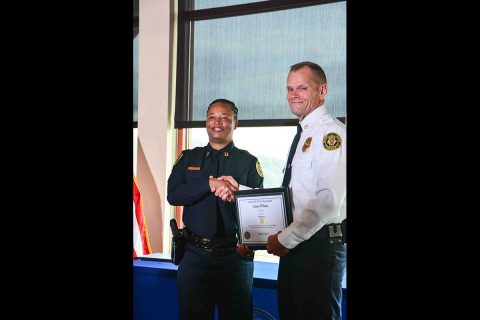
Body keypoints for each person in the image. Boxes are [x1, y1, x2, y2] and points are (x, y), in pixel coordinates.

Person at [167, 98, 264, 320]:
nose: (217, 122)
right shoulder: (188, 157)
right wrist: (209, 184)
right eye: (212, 117)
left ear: (235, 123)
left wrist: (236, 193)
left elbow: (259, 208)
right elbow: (174, 195)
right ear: (206, 122)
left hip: (235, 257)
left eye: (224, 118)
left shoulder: (248, 162)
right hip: (194, 256)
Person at [266, 61, 346, 320]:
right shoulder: (304, 133)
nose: (293, 95)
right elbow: (297, 194)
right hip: (297, 246)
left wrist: (285, 239)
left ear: (322, 90)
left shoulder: (330, 134)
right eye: (290, 89)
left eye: (302, 88)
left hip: (319, 248)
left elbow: (328, 201)